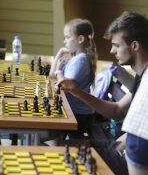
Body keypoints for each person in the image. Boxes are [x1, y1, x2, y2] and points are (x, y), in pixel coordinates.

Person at [59, 12, 148, 175]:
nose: (112, 50)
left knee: (61, 153)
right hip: (122, 146)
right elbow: (117, 109)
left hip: (130, 159)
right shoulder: (142, 76)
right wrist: (77, 92)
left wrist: (125, 144)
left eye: (117, 45)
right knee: (61, 146)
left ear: (134, 46)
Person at [50, 18, 97, 138]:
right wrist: (59, 53)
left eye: (67, 37)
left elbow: (65, 86)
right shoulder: (76, 59)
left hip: (78, 114)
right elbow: (51, 77)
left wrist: (59, 71)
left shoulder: (80, 61)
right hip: (74, 111)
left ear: (80, 39)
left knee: (42, 131)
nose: (64, 41)